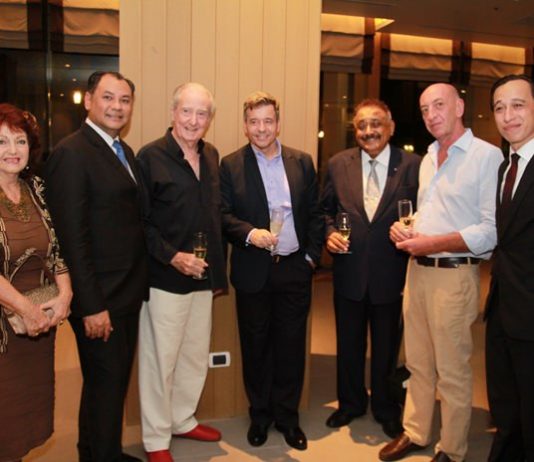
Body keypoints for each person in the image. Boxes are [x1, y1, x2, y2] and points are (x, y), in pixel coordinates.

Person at [381, 83, 503, 462]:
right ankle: (416, 431)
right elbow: (433, 214)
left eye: (439, 105)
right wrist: (406, 228)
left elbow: (490, 231)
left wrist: (432, 244)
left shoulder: (487, 156)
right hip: (416, 272)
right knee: (417, 362)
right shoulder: (429, 156)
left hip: (454, 276)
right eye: (424, 109)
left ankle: (451, 448)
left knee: (451, 370)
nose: (431, 115)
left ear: (460, 107)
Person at [44, 71, 148, 462]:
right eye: (108, 97)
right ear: (88, 101)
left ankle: (99, 452)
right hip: (100, 298)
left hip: (126, 293)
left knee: (108, 385)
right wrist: (91, 306)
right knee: (106, 384)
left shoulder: (123, 151)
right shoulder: (72, 154)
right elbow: (71, 238)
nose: (117, 107)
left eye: (124, 100)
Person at [220, 91, 323, 451]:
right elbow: (223, 215)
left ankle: (287, 418)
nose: (261, 128)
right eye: (254, 122)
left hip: (294, 268)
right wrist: (250, 233)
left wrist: (311, 258)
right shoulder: (231, 165)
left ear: (278, 123)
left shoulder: (302, 161)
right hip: (253, 271)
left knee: (291, 347)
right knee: (256, 347)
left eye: (267, 121)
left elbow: (316, 213)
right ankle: (260, 416)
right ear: (245, 126)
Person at [136, 82, 227, 462]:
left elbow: (215, 213)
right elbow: (140, 223)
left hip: (203, 276)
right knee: (161, 361)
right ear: (173, 113)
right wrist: (174, 257)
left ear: (210, 119)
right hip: (165, 278)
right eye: (186, 111)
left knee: (193, 353)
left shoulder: (212, 155)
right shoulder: (150, 157)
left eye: (201, 113)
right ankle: (156, 439)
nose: (193, 120)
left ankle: (182, 419)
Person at [321, 98, 420, 439]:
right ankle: (350, 404)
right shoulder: (338, 164)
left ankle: (385, 407)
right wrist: (329, 233)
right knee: (348, 345)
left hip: (392, 273)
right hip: (349, 271)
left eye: (376, 123)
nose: (368, 131)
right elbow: (324, 211)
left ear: (390, 127)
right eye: (361, 125)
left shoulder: (413, 165)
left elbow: (425, 211)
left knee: (386, 348)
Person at [0, 103, 72, 462]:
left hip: (36, 329)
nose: (12, 150)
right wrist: (25, 309)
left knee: (23, 422)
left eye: (20, 141)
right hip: (6, 331)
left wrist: (65, 294)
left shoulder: (37, 188)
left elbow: (56, 249)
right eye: (1, 141)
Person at [485, 74, 534, 462]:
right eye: (499, 108)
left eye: (518, 105)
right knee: (506, 402)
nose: (508, 116)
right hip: (503, 305)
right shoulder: (506, 167)